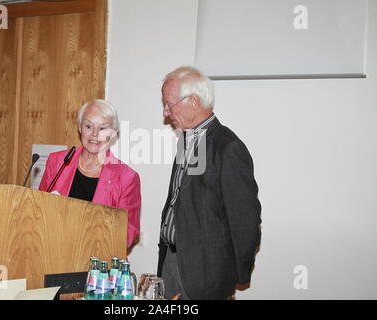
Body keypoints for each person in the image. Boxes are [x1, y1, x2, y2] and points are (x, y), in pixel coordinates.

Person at [157, 66, 262, 300]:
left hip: (205, 277)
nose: (166, 112)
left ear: (193, 101)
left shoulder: (228, 147)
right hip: (171, 265)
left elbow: (246, 220)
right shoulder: (186, 142)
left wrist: (232, 278)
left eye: (169, 103)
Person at [39, 99, 141, 249]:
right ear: (80, 128)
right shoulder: (57, 161)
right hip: (53, 251)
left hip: (96, 260)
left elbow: (127, 234)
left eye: (102, 128)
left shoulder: (126, 177)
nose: (94, 134)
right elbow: (38, 209)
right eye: (88, 126)